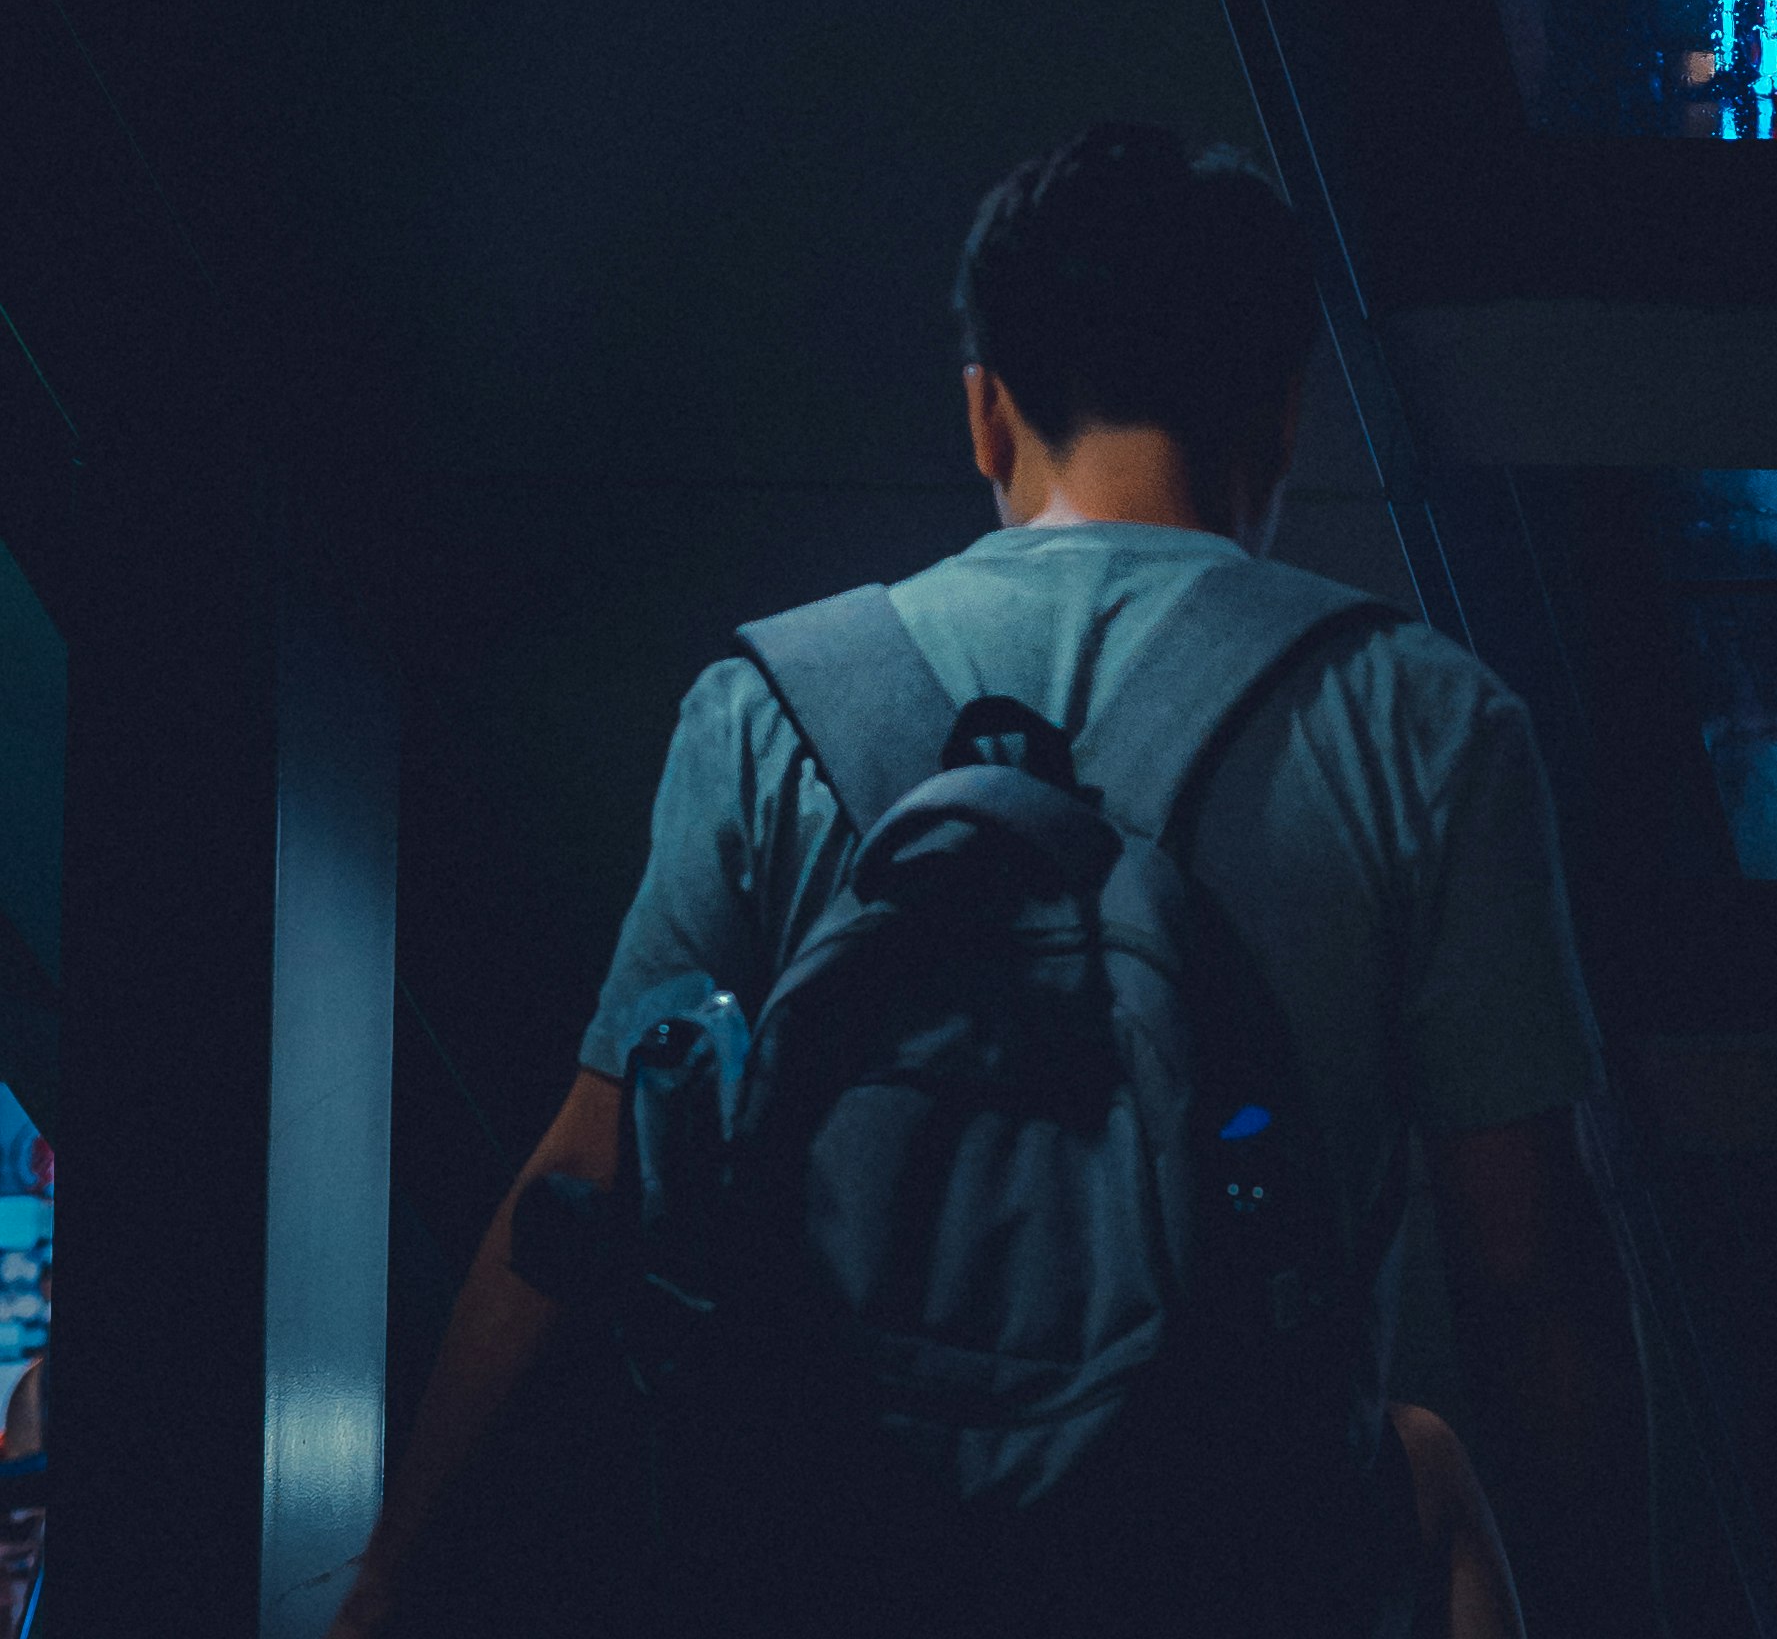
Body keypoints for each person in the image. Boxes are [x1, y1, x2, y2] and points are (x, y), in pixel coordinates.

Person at [326, 126, 1650, 1637]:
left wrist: (393, 1576)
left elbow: (585, 1190)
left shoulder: (769, 710)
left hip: (839, 1569)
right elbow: (1529, 1259)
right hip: (1242, 1568)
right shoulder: (1427, 722)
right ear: (1281, 416)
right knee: (1423, 1472)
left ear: (984, 415)